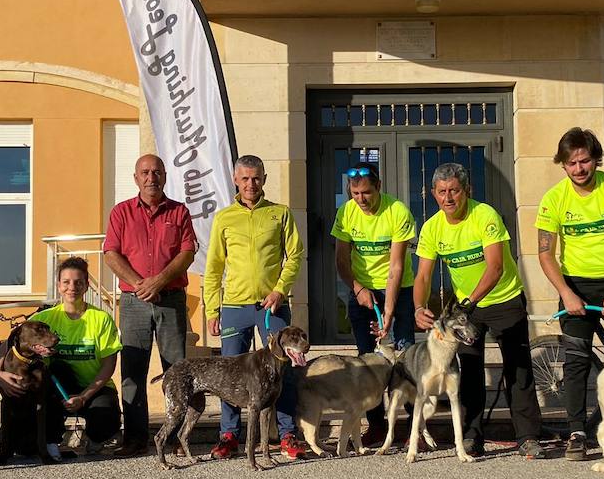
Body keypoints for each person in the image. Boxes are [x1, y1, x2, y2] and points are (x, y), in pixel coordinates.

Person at [412, 163, 542, 461]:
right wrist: (419, 307)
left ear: (466, 191)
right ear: (433, 194)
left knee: (517, 369)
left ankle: (528, 437)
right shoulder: (432, 227)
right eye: (442, 192)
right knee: (468, 372)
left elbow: (495, 266)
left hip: (503, 299)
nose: (449, 198)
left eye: (454, 191)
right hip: (468, 309)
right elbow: (421, 277)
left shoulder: (485, 215)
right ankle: (471, 436)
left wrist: (470, 301)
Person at [534, 127, 604, 460]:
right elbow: (545, 254)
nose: (579, 169)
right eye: (572, 163)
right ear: (563, 165)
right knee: (576, 360)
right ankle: (577, 432)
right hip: (575, 284)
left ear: (595, 159)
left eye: (585, 161)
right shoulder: (554, 198)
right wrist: (566, 293)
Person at [203, 154, 307, 461]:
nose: (251, 184)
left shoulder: (280, 213)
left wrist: (279, 290)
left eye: (256, 178)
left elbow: (295, 255)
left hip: (271, 308)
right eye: (245, 178)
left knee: (284, 371)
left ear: (264, 179)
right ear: (236, 180)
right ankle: (228, 436)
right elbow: (213, 268)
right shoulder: (224, 217)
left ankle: (288, 434)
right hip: (234, 306)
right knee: (229, 374)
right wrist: (212, 309)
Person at [103, 154, 197, 456]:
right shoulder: (121, 213)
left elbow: (186, 253)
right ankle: (134, 438)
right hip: (133, 303)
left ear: (165, 176)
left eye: (156, 172)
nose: (151, 177)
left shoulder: (179, 212)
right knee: (133, 370)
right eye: (144, 172)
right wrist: (141, 284)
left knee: (177, 372)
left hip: (170, 300)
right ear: (135, 178)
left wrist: (159, 281)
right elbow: (111, 254)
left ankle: (176, 438)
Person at [0, 257, 123, 461]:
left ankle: (96, 438)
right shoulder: (45, 318)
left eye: (78, 282)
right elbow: (9, 343)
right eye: (66, 282)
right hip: (58, 387)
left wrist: (84, 397)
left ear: (86, 286)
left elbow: (109, 365)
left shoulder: (101, 318)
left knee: (104, 422)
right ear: (59, 286)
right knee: (55, 373)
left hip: (94, 386)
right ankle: (51, 440)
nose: (72, 287)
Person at [330, 161, 416, 446]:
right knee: (368, 361)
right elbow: (341, 259)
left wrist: (388, 311)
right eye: (355, 194)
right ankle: (377, 425)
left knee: (404, 358)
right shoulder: (346, 212)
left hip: (398, 291)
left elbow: (396, 267)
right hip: (362, 292)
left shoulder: (397, 211)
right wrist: (357, 289)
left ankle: (414, 426)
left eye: (366, 193)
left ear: (378, 186)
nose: (361, 200)